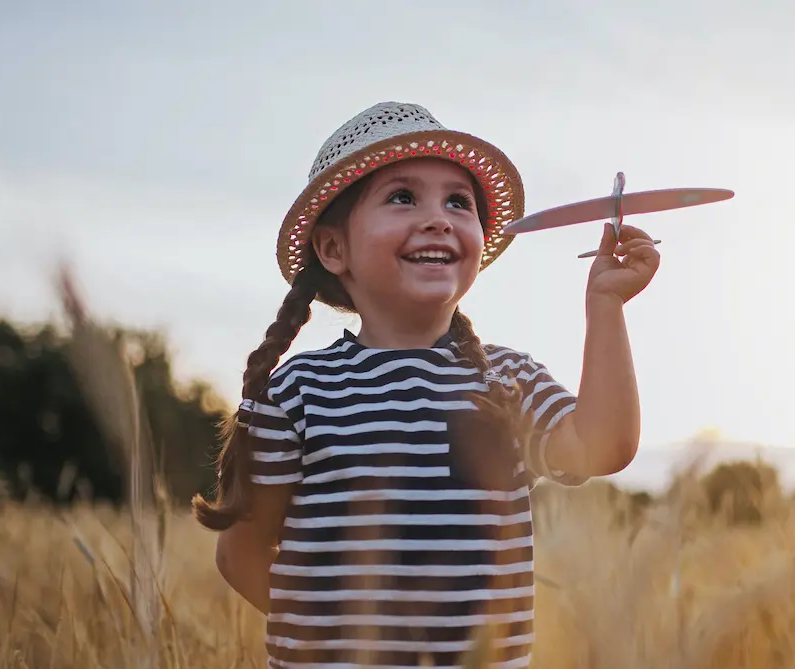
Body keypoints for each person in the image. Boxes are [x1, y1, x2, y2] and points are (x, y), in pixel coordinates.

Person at [192, 101, 659, 668]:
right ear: (334, 248)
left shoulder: (506, 380)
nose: (439, 218)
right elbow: (241, 554)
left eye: (458, 203)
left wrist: (606, 305)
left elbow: (603, 446)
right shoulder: (297, 393)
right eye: (402, 197)